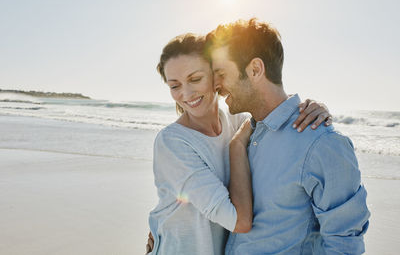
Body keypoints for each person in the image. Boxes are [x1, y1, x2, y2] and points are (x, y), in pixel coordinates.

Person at [146, 33, 332, 255]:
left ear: (216, 77)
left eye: (195, 79)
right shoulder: (173, 143)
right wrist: (235, 147)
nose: (186, 94)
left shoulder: (237, 122)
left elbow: (271, 107)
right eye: (174, 85)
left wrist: (311, 108)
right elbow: (239, 222)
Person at [205, 18, 370, 254]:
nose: (215, 85)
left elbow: (344, 245)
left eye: (220, 73)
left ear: (255, 69)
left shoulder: (321, 143)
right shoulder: (239, 134)